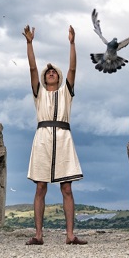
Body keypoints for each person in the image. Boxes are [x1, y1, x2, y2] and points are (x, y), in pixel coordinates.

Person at [22, 24, 87, 245]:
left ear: (58, 78)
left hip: (63, 138)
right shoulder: (38, 93)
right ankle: (39, 235)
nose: (50, 73)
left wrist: (72, 43)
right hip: (42, 139)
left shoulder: (66, 93)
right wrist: (29, 44)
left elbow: (73, 69)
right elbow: (32, 69)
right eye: (47, 72)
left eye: (53, 72)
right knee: (41, 186)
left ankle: (70, 235)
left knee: (66, 188)